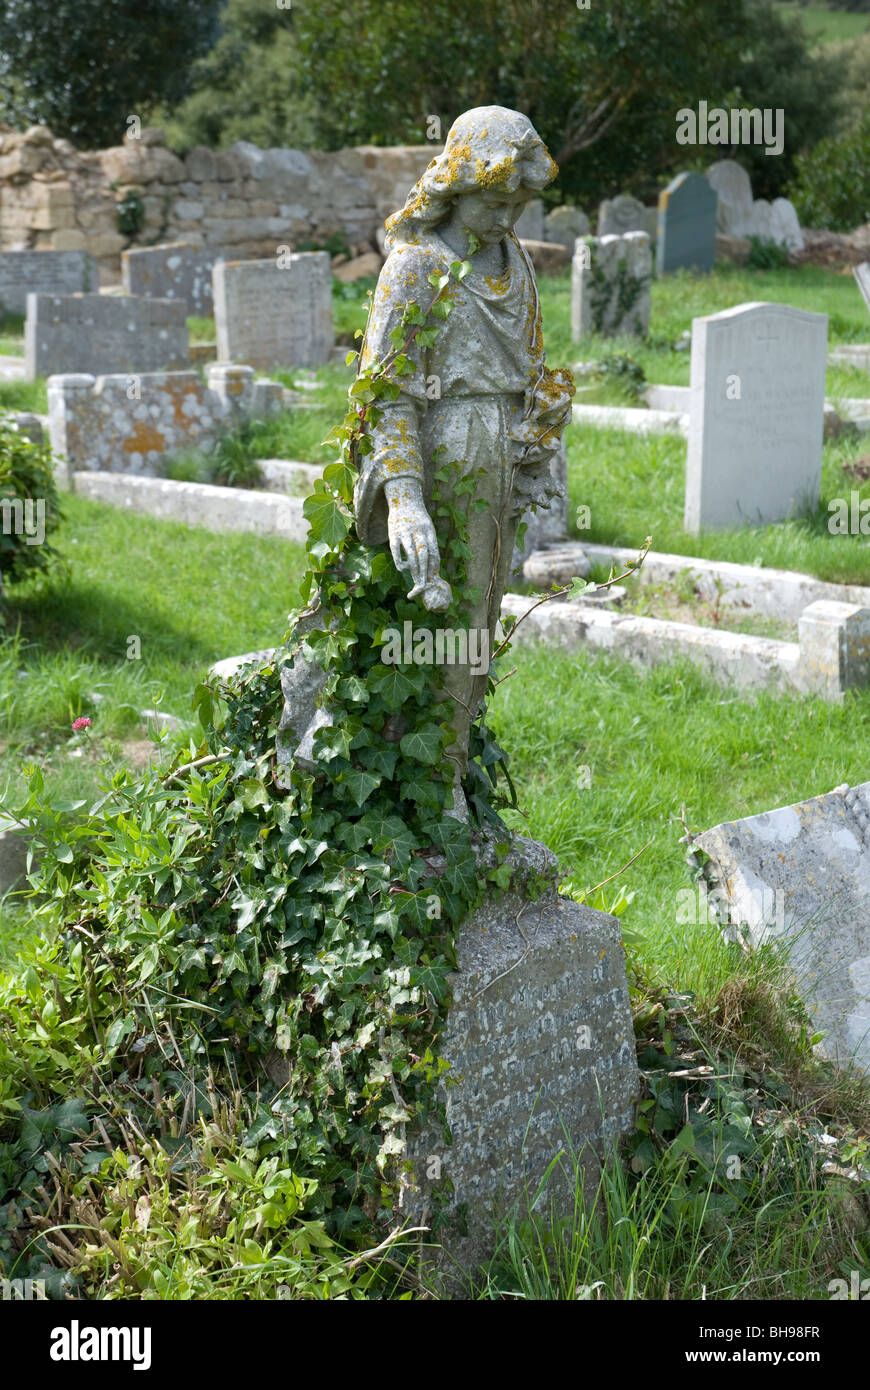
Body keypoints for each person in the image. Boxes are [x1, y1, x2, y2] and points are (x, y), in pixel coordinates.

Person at [353, 106, 574, 793]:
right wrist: (404, 499)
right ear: (452, 184)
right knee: (441, 624)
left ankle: (447, 764)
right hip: (444, 456)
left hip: (503, 456)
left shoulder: (513, 262)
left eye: (519, 203)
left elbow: (530, 362)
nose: (507, 216)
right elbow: (386, 392)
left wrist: (543, 413)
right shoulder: (416, 267)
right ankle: (429, 784)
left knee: (480, 620)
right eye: (492, 198)